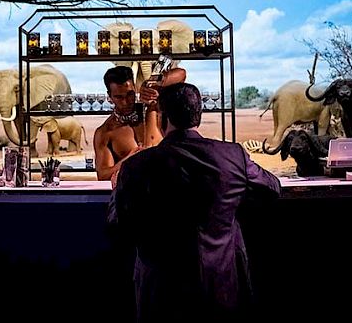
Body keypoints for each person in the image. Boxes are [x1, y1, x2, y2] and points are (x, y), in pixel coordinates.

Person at [109, 82, 281, 322]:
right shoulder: (232, 156)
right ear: (198, 115)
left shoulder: (137, 166)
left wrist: (117, 186)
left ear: (162, 118)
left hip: (160, 295)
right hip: (220, 287)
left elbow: (120, 225)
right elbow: (272, 188)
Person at [93, 65, 186, 181]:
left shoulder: (151, 109)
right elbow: (103, 175)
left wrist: (149, 84)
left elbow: (181, 74)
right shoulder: (105, 132)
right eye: (118, 97)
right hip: (135, 193)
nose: (125, 102)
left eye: (130, 94)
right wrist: (129, 159)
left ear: (135, 89)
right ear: (109, 96)